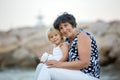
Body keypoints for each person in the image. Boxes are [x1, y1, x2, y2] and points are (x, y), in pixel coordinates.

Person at [36, 12, 100, 80]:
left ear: (72, 24)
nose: (64, 30)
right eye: (61, 28)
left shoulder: (82, 36)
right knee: (41, 66)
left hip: (88, 76)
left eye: (66, 25)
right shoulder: (67, 40)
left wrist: (58, 64)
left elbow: (84, 63)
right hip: (75, 73)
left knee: (47, 68)